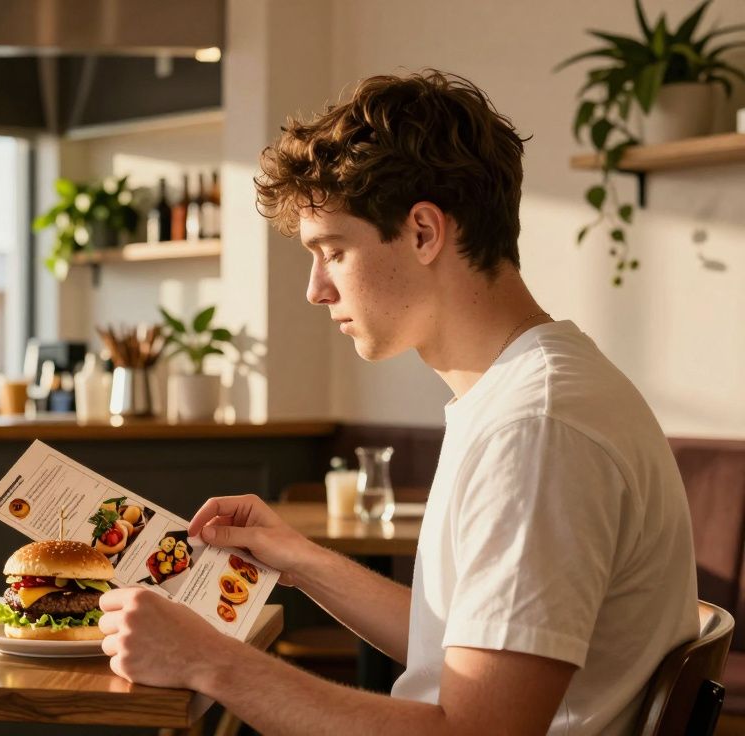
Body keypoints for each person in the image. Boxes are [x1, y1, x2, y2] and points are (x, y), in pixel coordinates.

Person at [96, 70, 699, 735]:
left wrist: (209, 662)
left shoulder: (536, 428)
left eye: (333, 251)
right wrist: (300, 560)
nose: (316, 290)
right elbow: (460, 646)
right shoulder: (534, 391)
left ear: (422, 232)